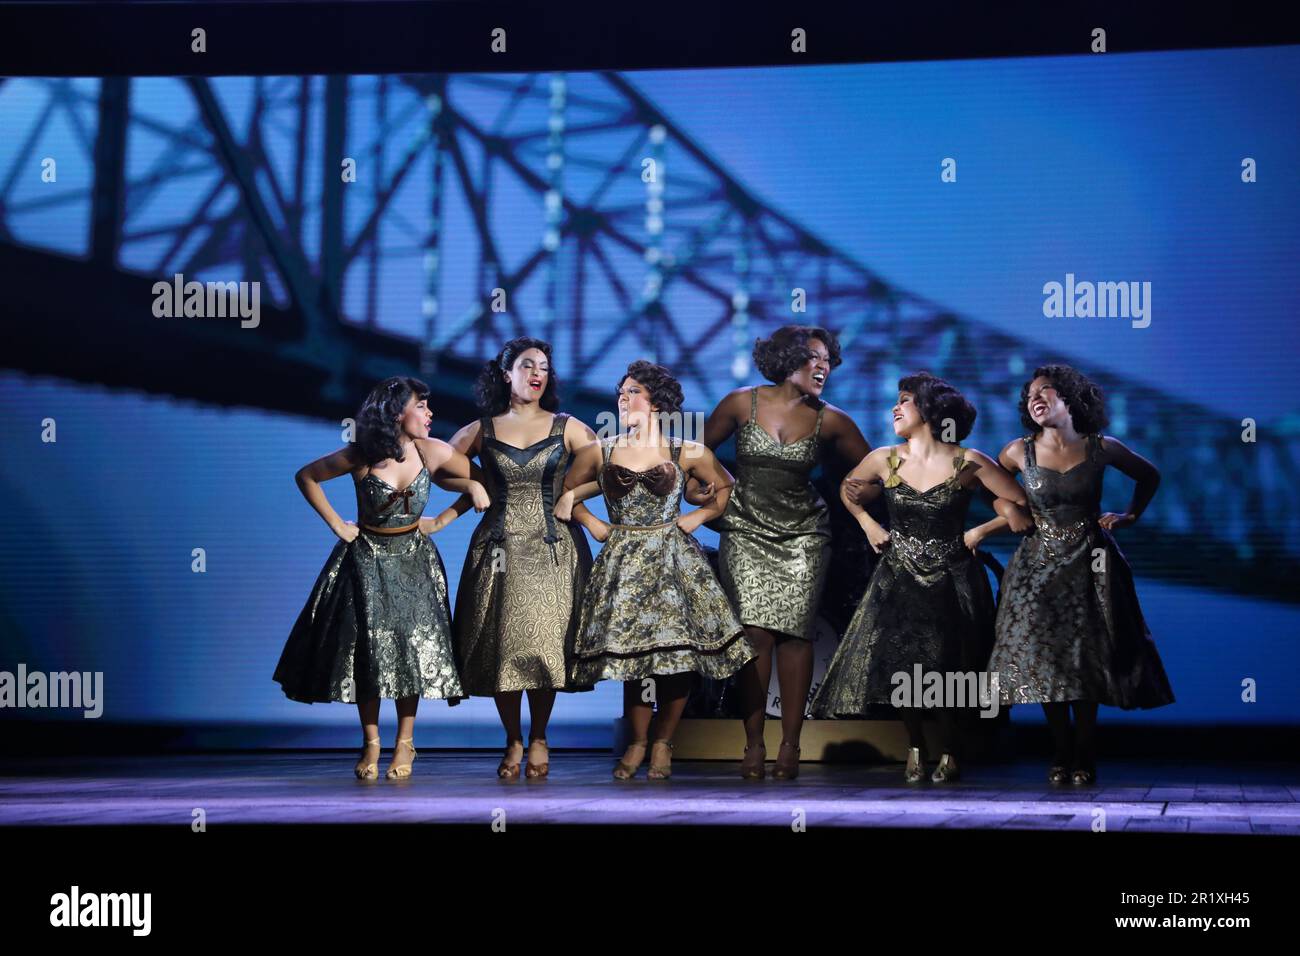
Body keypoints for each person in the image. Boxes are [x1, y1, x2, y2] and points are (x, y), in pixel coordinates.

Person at [812, 372, 1028, 784]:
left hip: (952, 577)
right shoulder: (885, 458)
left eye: (905, 400)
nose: (895, 407)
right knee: (904, 666)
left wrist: (982, 530)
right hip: (899, 576)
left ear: (930, 410)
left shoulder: (969, 461)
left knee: (949, 667)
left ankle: (950, 750)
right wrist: (867, 523)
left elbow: (1020, 504)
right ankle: (914, 746)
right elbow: (847, 486)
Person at [688, 325, 871, 779]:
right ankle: (753, 743)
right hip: (746, 531)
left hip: (805, 536)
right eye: (814, 356)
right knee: (755, 637)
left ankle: (790, 744)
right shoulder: (738, 403)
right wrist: (698, 491)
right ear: (787, 359)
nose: (824, 365)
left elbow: (875, 474)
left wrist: (859, 503)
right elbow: (696, 455)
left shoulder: (834, 421)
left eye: (829, 358)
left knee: (796, 636)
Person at [273, 376, 477, 780]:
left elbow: (481, 483)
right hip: (366, 558)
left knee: (410, 651)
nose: (430, 413)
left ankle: (405, 743)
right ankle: (371, 742)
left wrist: (444, 517)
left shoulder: (432, 450)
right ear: (397, 412)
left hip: (415, 561)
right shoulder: (362, 454)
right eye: (421, 405)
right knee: (368, 651)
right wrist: (336, 524)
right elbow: (307, 476)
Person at [565, 360, 754, 780]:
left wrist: (698, 517)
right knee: (635, 660)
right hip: (625, 561)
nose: (623, 398)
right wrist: (593, 522)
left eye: (633, 391)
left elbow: (725, 487)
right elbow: (567, 493)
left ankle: (664, 743)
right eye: (621, 392)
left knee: (675, 660)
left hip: (672, 560)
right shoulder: (603, 449)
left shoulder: (684, 450)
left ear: (656, 403)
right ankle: (636, 743)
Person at [985, 365, 1175, 785]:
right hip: (1037, 566)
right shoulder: (1017, 451)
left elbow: (1150, 475)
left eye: (1046, 390)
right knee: (1049, 657)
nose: (1035, 397)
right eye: (1030, 393)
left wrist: (1130, 516)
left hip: (1091, 562)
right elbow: (986, 489)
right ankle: (1061, 752)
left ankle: (1085, 753)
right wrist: (1012, 509)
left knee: (1085, 658)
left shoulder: (1102, 447)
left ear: (1070, 399)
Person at [446, 337, 597, 779]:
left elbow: (612, 471)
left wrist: (573, 493)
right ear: (505, 373)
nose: (537, 373)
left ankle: (539, 737)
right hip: (498, 547)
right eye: (528, 365)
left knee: (544, 647)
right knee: (502, 648)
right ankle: (513, 737)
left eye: (544, 367)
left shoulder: (568, 426)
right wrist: (473, 485)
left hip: (553, 548)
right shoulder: (481, 429)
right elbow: (436, 464)